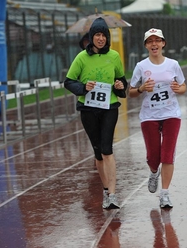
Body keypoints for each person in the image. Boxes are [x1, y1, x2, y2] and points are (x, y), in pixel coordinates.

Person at [64, 18, 127, 209]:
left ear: (107, 37)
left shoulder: (114, 56)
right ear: (91, 37)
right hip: (89, 109)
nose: (101, 38)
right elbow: (68, 82)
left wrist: (119, 85)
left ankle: (113, 195)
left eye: (103, 35)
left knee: (107, 148)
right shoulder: (81, 57)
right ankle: (106, 189)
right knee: (98, 152)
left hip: (109, 107)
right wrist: (84, 87)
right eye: (97, 35)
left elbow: (122, 81)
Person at [129, 28, 186, 208]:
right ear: (146, 45)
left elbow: (183, 86)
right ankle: (154, 172)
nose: (154, 44)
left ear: (163, 43)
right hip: (149, 116)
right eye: (150, 41)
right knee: (154, 157)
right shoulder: (141, 66)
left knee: (167, 156)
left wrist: (179, 89)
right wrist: (141, 89)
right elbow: (130, 92)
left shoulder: (173, 64)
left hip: (171, 114)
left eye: (157, 40)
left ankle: (165, 194)